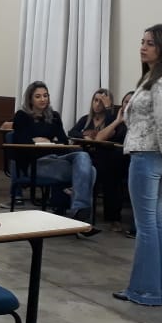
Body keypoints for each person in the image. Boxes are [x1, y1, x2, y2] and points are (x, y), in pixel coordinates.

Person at [114, 24, 162, 306]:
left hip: (147, 156)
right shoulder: (155, 78)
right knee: (155, 223)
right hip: (151, 155)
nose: (143, 47)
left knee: (146, 226)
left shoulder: (161, 81)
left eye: (150, 43)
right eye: (142, 42)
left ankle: (145, 291)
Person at [9, 81, 98, 230]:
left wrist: (46, 141)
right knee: (91, 171)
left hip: (56, 159)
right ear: (30, 99)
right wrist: (40, 142)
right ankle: (80, 214)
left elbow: (63, 141)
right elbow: (21, 142)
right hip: (34, 164)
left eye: (45, 95)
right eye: (38, 96)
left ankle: (78, 210)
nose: (43, 99)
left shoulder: (54, 116)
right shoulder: (22, 116)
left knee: (83, 156)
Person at [70, 88, 127, 232]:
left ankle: (113, 218)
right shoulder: (86, 119)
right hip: (86, 156)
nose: (97, 104)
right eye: (95, 100)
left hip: (106, 157)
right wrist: (84, 136)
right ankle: (77, 210)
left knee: (111, 174)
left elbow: (114, 133)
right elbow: (72, 132)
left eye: (101, 102)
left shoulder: (112, 119)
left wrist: (109, 110)